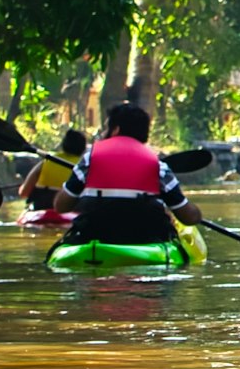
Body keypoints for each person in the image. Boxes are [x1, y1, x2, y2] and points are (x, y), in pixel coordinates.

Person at [59, 103, 205, 255]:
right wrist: (196, 214)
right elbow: (189, 218)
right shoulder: (158, 166)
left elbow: (61, 206)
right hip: (145, 240)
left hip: (94, 237)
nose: (103, 133)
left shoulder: (90, 160)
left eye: (105, 128)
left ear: (116, 130)